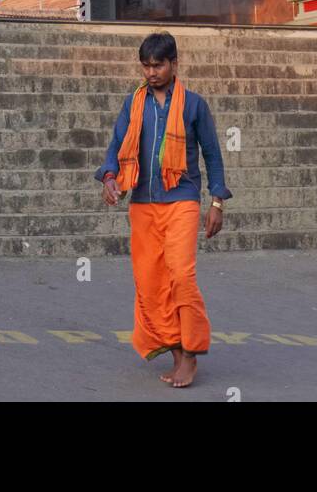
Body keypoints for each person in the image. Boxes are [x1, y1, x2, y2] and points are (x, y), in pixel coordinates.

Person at [96, 32, 231, 388]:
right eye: (146, 65)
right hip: (142, 202)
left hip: (182, 199)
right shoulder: (133, 104)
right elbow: (117, 145)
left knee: (181, 277)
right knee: (151, 283)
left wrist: (216, 201)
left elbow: (213, 155)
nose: (152, 72)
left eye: (159, 65)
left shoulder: (193, 105)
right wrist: (110, 177)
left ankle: (191, 353)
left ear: (174, 63)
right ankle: (175, 352)